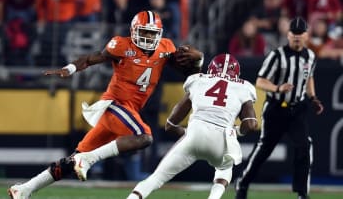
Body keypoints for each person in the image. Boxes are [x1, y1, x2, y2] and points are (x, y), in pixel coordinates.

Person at [8, 10, 203, 199]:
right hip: (114, 105)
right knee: (144, 137)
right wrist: (70, 68)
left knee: (72, 160)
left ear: (159, 34)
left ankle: (24, 189)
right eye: (143, 32)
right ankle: (88, 160)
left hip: (126, 113)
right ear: (134, 30)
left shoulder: (165, 48)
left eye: (152, 33)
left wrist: (198, 60)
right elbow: (91, 58)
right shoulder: (121, 45)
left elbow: (189, 72)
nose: (147, 37)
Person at [126, 53, 258, 199]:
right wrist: (238, 131)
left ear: (211, 69)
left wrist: (178, 129)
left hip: (195, 133)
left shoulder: (198, 79)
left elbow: (173, 120)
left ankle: (133, 197)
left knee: (157, 177)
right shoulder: (243, 87)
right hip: (222, 139)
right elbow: (251, 124)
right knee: (225, 168)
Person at [235, 17, 324, 199]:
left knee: (304, 146)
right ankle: (243, 183)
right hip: (276, 108)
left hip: (297, 109)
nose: (297, 37)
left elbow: (310, 78)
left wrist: (313, 97)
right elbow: (260, 81)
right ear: (288, 35)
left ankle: (301, 192)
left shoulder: (311, 56)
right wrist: (277, 88)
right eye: (294, 33)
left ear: (306, 36)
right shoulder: (277, 55)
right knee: (264, 149)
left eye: (300, 34)